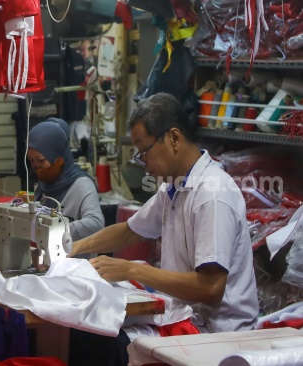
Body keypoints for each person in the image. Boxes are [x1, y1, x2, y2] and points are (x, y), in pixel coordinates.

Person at [68, 93, 258, 365]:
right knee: (87, 330)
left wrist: (132, 269)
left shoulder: (211, 194)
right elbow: (130, 230)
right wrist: (73, 248)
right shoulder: (175, 187)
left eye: (144, 150)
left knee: (102, 344)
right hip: (185, 315)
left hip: (216, 335)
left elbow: (211, 286)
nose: (143, 162)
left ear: (174, 138)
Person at [27, 118, 105, 259]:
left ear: (59, 157)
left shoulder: (81, 184)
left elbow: (96, 223)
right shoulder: (45, 185)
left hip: (75, 271)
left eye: (41, 160)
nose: (36, 166)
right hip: (49, 268)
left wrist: (56, 229)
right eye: (31, 161)